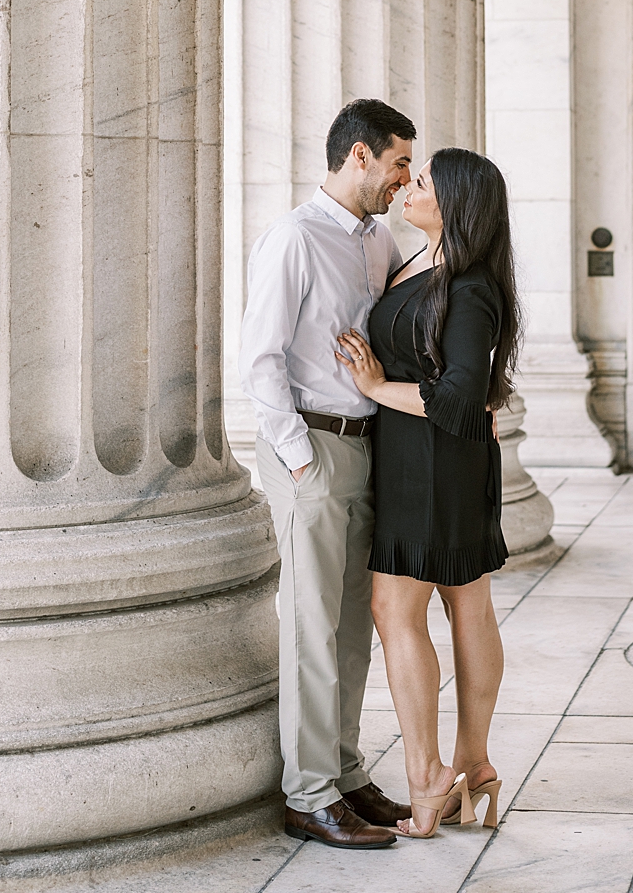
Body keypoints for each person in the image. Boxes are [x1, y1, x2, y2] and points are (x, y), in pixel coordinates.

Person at [239, 98, 418, 850]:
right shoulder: (293, 238)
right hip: (310, 448)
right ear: (359, 158)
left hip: (367, 446)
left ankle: (343, 772)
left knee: (351, 626)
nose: (406, 180)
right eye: (400, 162)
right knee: (313, 626)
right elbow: (259, 358)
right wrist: (299, 454)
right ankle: (307, 793)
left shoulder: (377, 241)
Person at [334, 148, 515, 837]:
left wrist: (377, 388)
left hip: (436, 461)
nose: (410, 183)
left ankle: (428, 775)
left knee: (396, 605)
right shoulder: (422, 261)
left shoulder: (469, 286)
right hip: (430, 457)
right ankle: (474, 766)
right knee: (465, 599)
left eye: (426, 180)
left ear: (458, 203)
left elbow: (464, 394)